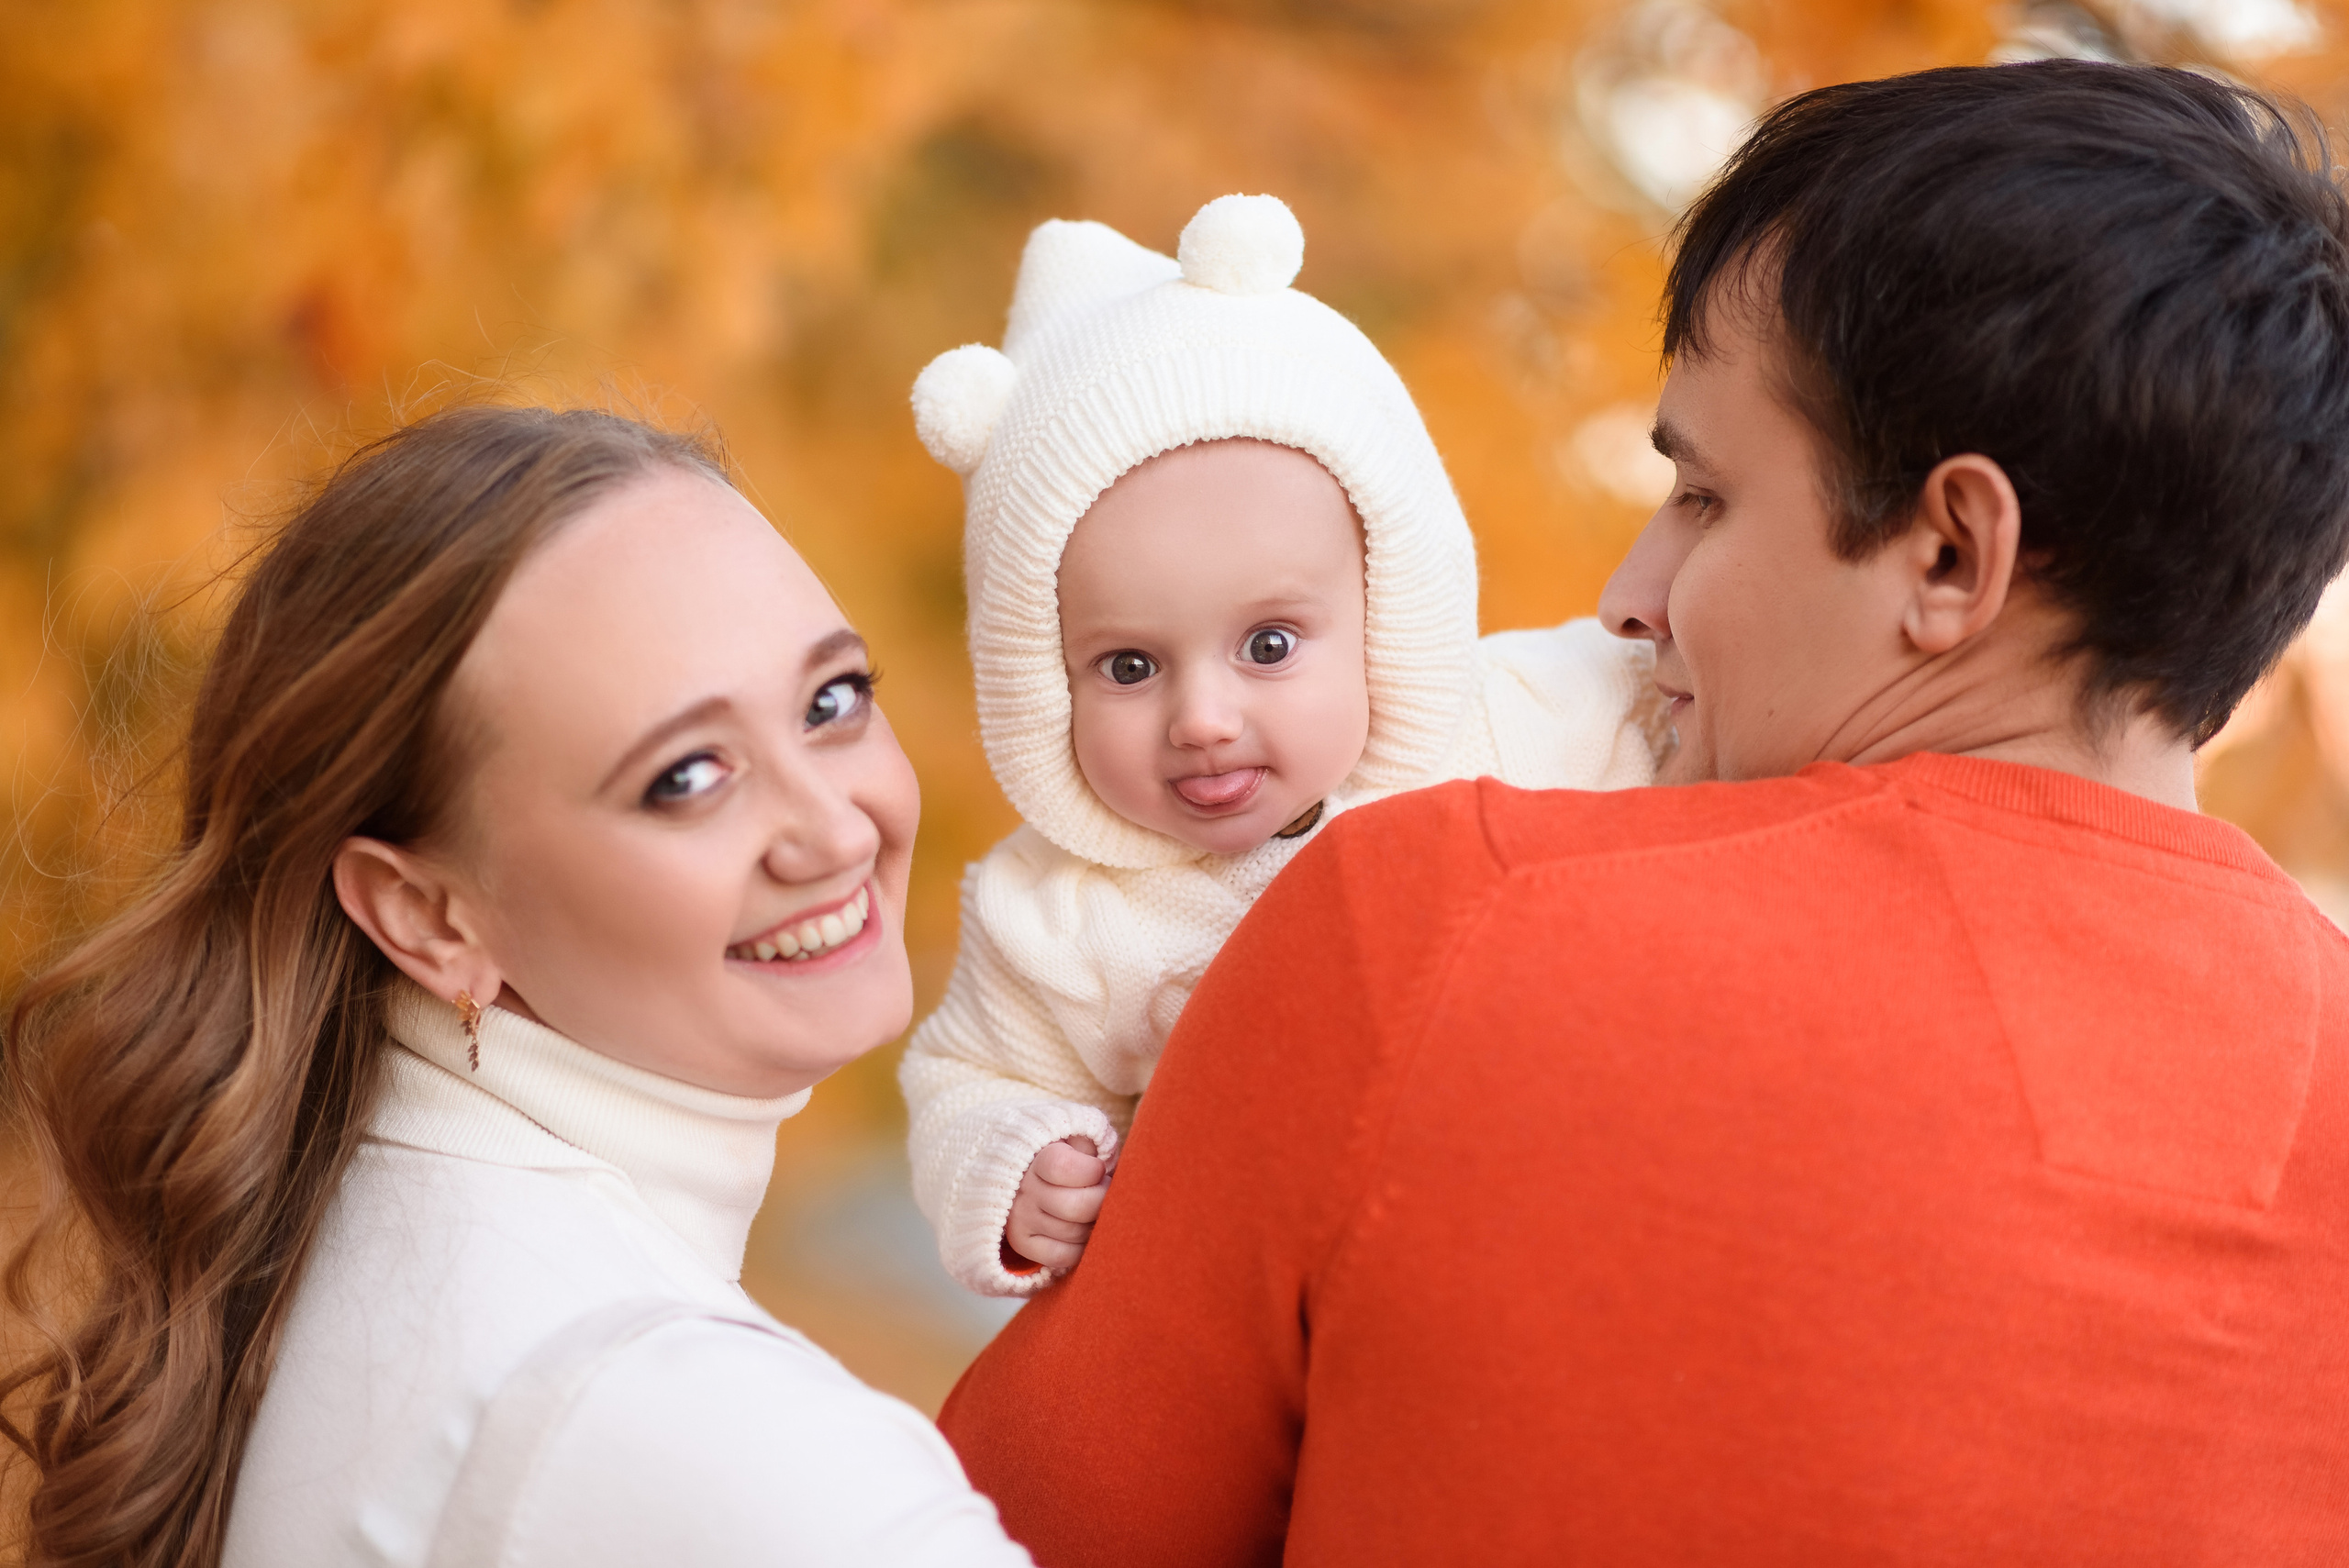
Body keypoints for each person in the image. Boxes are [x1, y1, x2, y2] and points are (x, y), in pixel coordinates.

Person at [935, 61, 2349, 1565]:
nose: (1629, 595)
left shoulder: (1433, 923)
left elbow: (977, 1538)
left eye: (1705, 496)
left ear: (1950, 554)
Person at [0, 406, 1035, 1568]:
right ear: (429, 915)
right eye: (687, 776)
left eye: (831, 701)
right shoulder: (703, 1434)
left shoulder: (339, 1248)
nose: (837, 830)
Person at [897, 194, 1665, 1296]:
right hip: (1297, 1292)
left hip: (1572, 1209)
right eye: (1129, 666)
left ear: (1382, 609)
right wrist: (1013, 1160)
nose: (1202, 718)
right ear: (1041, 677)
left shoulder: (1523, 717)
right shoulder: (1059, 916)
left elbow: (1672, 688)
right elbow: (967, 1072)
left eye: (1267, 645)